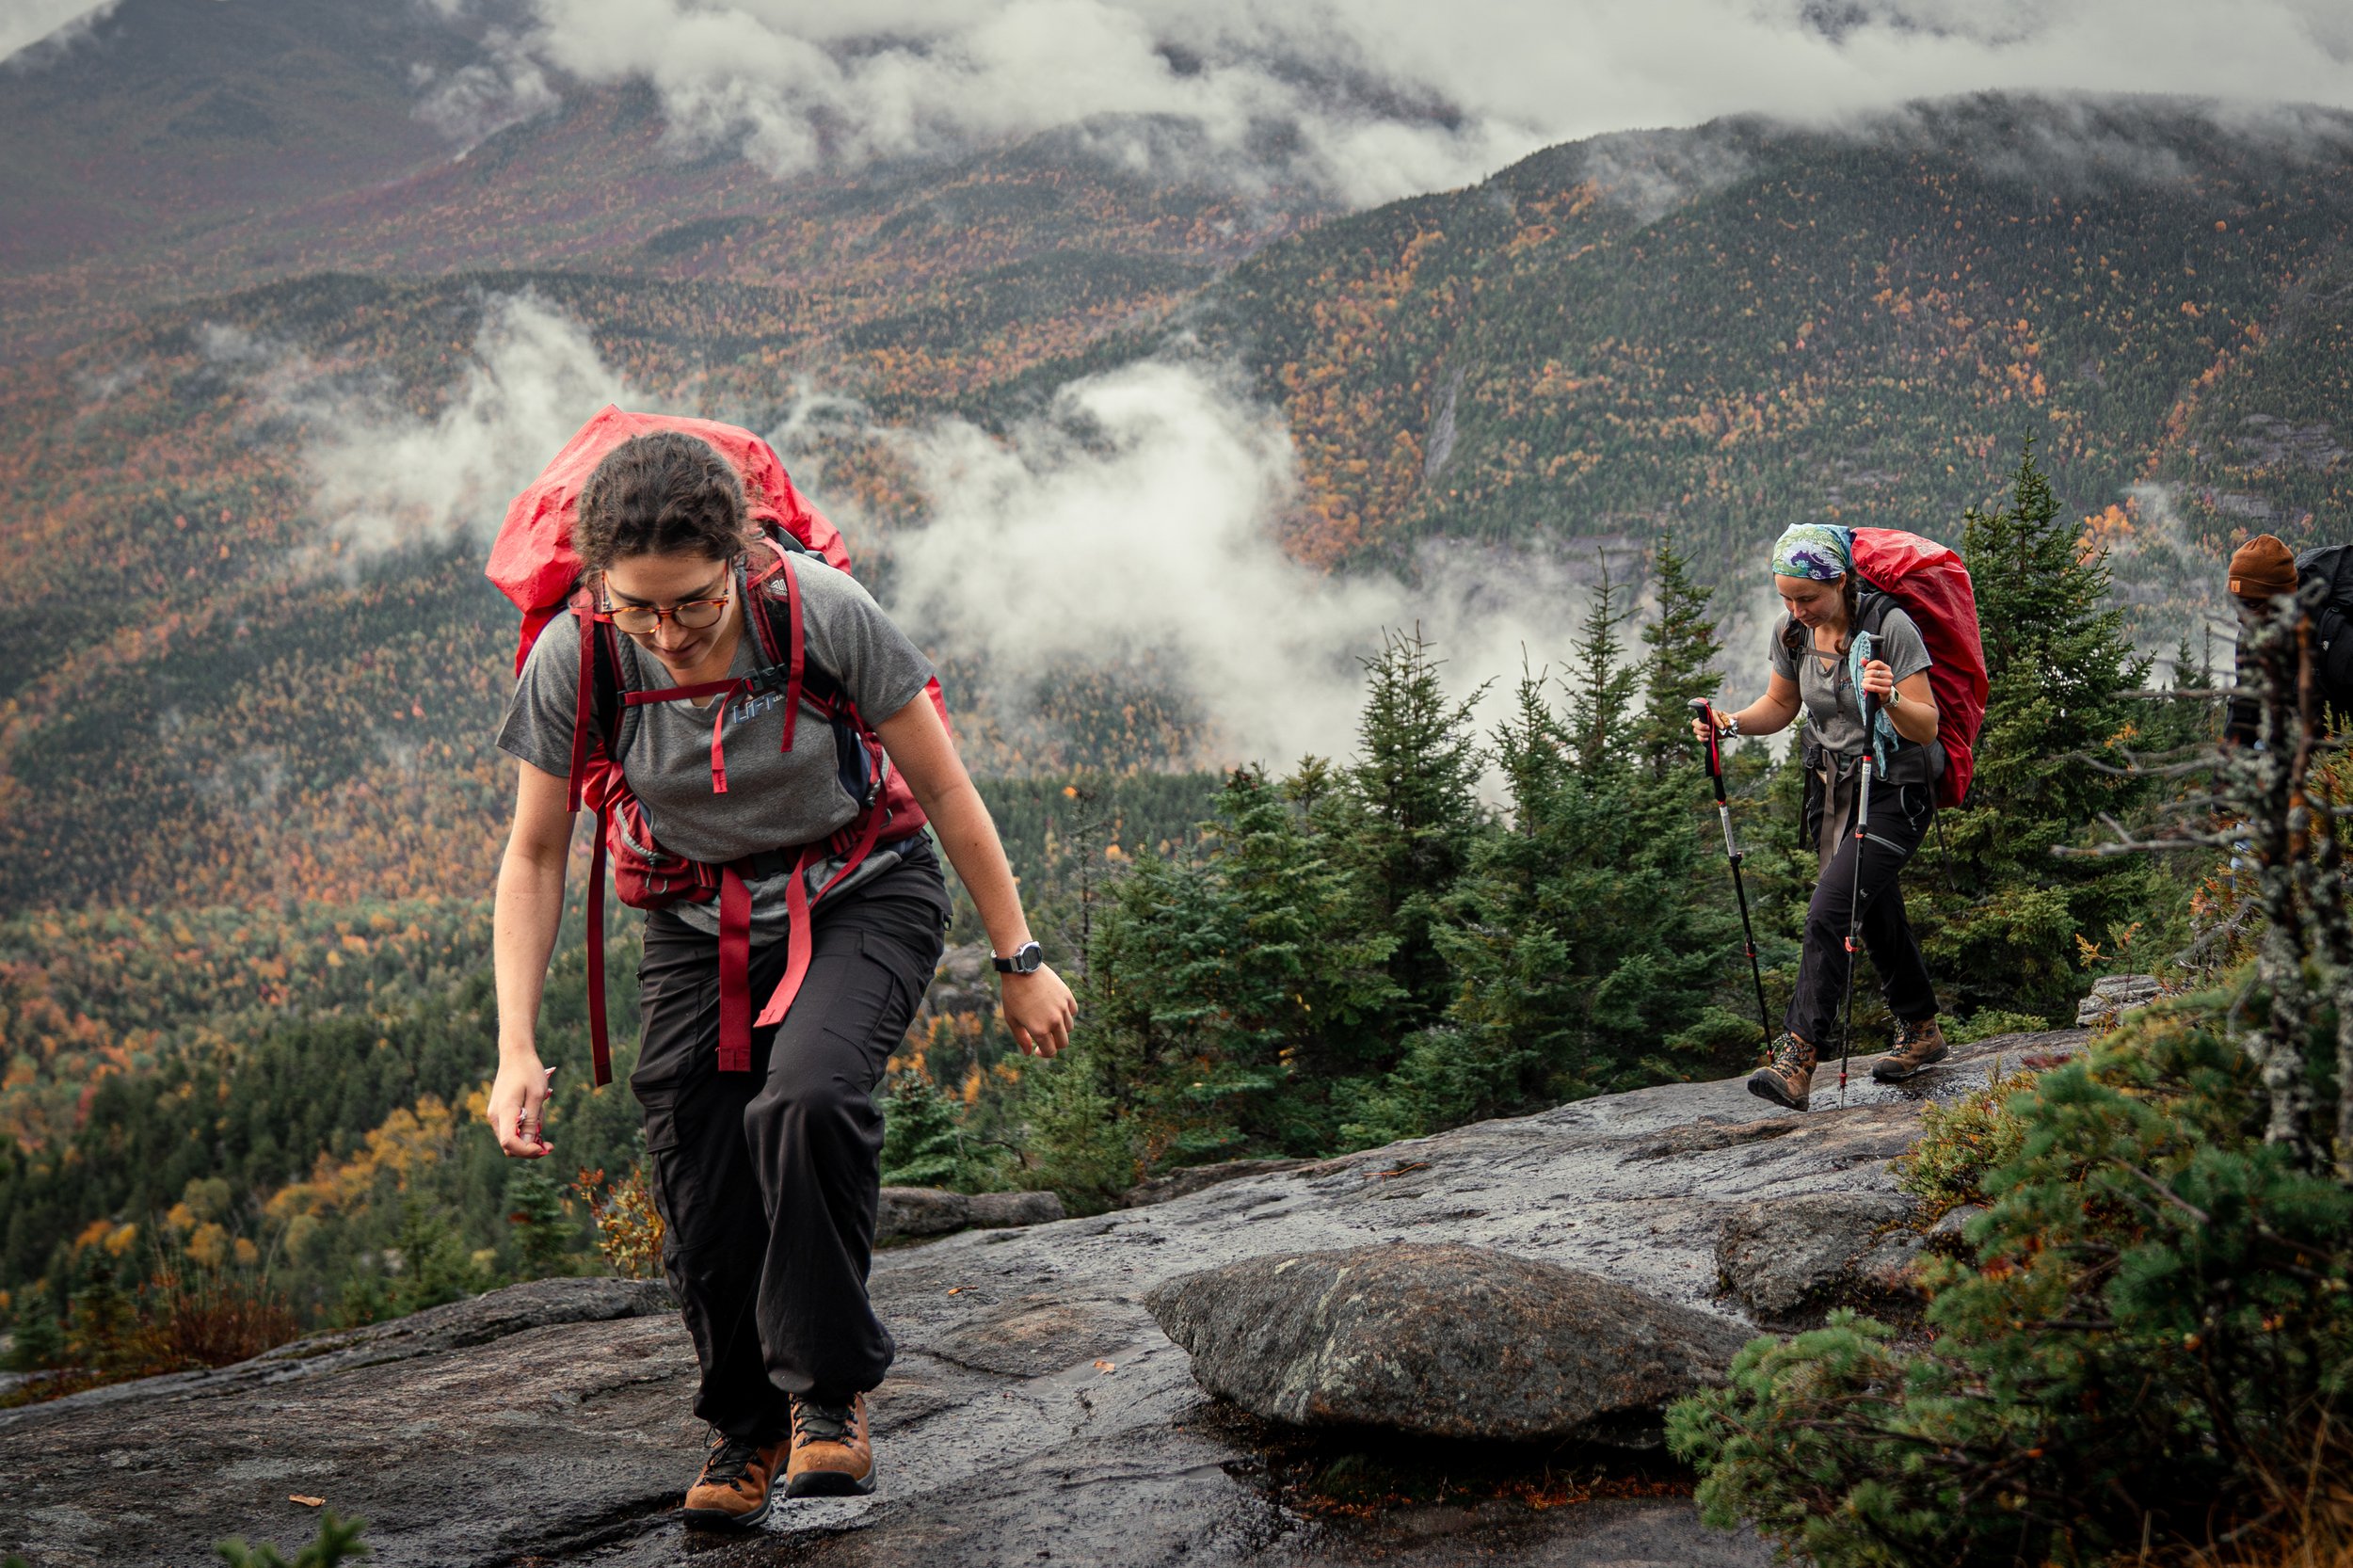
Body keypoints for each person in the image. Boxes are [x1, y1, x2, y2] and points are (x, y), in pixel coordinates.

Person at [484, 431, 1076, 1529]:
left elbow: (946, 792)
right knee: (697, 1156)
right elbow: (533, 854)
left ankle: (831, 1396)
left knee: (807, 1098)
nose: (664, 635)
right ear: (600, 582)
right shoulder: (577, 655)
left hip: (865, 888)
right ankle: (742, 1426)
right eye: (637, 609)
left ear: (739, 556)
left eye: (691, 605)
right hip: (694, 916)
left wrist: (1018, 956)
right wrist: (516, 1046)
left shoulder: (820, 611)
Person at [1694, 523, 1947, 1110]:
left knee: (1828, 913)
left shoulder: (1889, 629)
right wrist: (1729, 722)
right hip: (1834, 789)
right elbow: (1781, 706)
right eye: (1786, 597)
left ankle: (1798, 1057)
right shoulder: (1792, 634)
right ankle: (1923, 1030)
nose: (1796, 609)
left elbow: (1926, 725)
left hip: (1897, 791)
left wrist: (1888, 698)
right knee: (1873, 908)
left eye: (1806, 597)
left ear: (1840, 580)